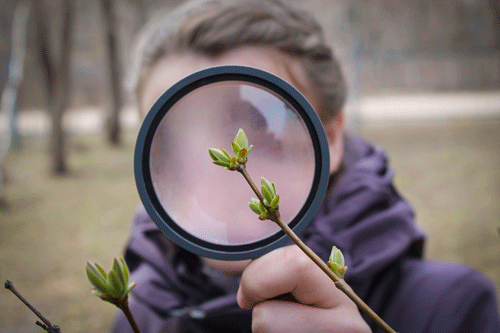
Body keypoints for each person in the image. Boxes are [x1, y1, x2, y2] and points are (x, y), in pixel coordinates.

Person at [113, 1, 500, 332]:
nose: (209, 173)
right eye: (170, 141)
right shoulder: (137, 311)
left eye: (258, 130)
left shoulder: (450, 309)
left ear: (330, 137)